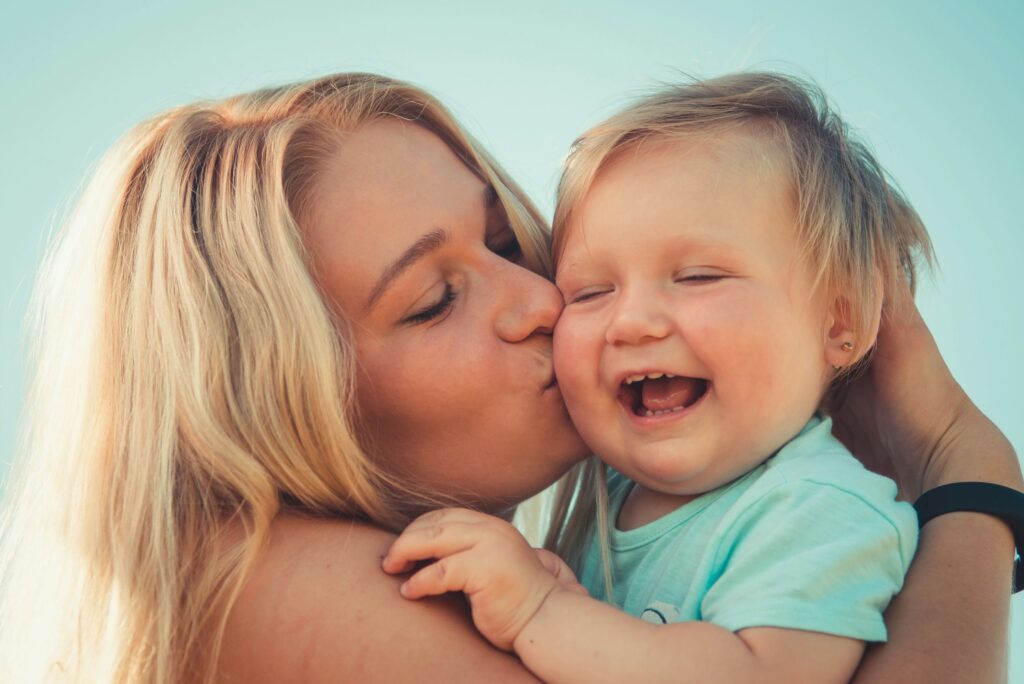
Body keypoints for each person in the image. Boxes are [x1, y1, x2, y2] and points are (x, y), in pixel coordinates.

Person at [0, 72, 1017, 684]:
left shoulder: (653, 518)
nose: (541, 299)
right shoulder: (271, 580)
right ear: (271, 403)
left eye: (502, 240)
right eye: (433, 300)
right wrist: (969, 481)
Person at [383, 72, 934, 683]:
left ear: (840, 321)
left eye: (698, 277)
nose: (632, 323)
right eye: (590, 292)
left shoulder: (822, 507)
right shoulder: (603, 498)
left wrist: (540, 611)